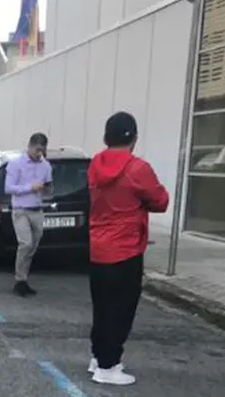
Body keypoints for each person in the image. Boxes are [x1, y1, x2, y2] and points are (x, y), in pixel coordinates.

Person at [87, 111, 168, 386]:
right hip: (125, 249)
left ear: (104, 138)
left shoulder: (94, 164)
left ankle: (98, 357)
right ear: (133, 139)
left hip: (98, 248)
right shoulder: (138, 168)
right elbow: (160, 200)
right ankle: (108, 366)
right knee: (121, 310)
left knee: (102, 308)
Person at [4, 133, 52, 297]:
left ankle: (24, 278)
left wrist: (46, 189)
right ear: (30, 146)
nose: (39, 153)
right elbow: (9, 188)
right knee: (25, 243)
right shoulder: (16, 164)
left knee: (33, 245)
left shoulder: (46, 166)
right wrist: (29, 187)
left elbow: (48, 188)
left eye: (42, 150)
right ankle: (20, 280)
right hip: (21, 210)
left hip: (37, 209)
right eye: (37, 149)